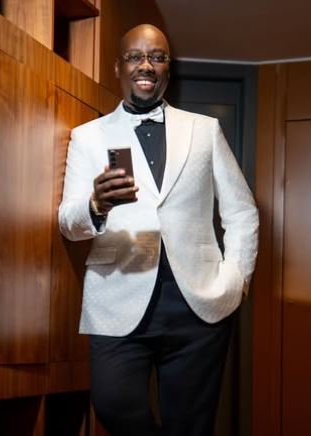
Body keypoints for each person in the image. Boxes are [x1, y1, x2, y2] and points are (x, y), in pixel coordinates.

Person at [58, 24, 259, 436]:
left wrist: (236, 279)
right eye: (135, 56)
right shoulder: (87, 137)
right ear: (118, 67)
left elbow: (242, 211)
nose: (146, 65)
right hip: (116, 299)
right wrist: (95, 204)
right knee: (112, 406)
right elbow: (67, 222)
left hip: (199, 305)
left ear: (168, 67)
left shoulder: (205, 130)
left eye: (157, 57)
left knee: (191, 426)